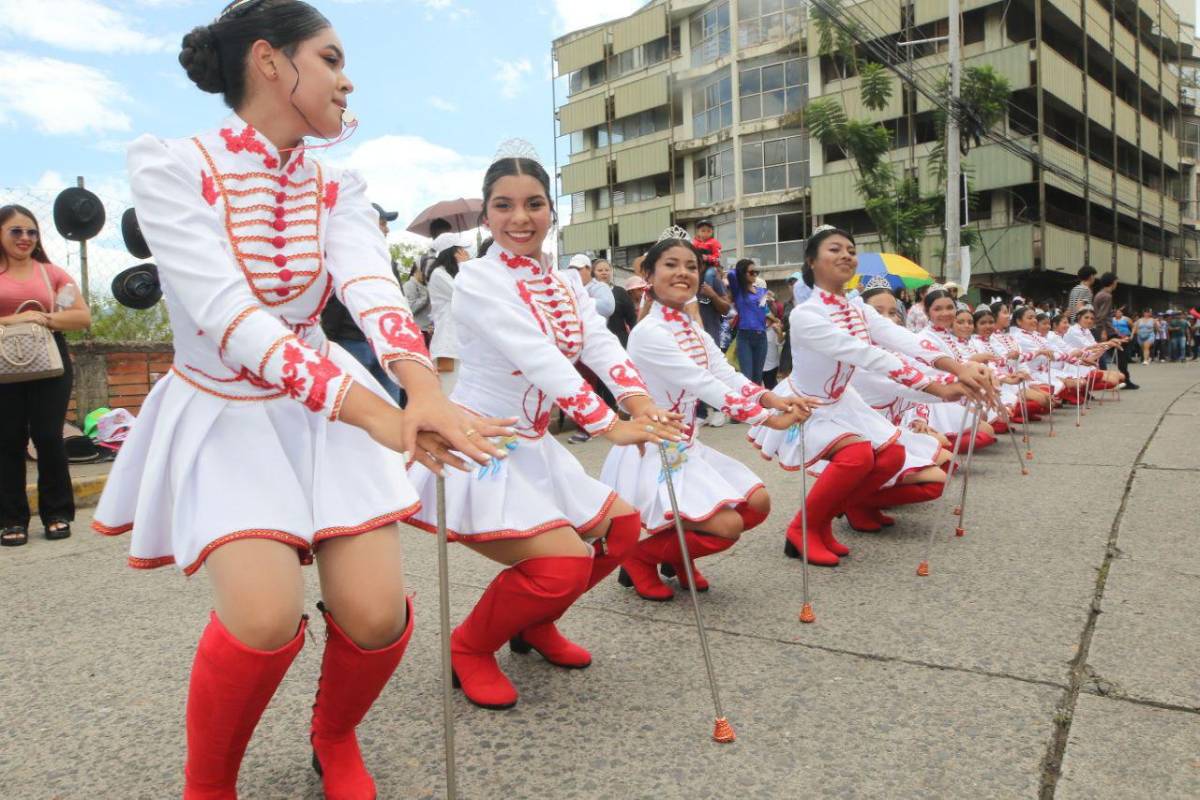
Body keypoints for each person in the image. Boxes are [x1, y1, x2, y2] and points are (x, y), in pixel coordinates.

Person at [90, 3, 511, 796]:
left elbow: (368, 284)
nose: (348, 81)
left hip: (324, 409)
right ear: (271, 61)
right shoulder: (172, 165)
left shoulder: (337, 185)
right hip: (225, 410)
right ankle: (208, 779)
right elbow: (230, 320)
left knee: (378, 613)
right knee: (261, 617)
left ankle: (335, 734)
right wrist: (388, 419)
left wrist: (420, 387)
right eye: (331, 57)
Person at [405, 141, 683, 711]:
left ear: (551, 212)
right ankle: (470, 646)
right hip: (484, 441)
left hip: (536, 443)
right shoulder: (479, 279)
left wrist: (638, 400)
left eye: (534, 203)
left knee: (621, 531)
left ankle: (534, 624)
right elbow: (539, 357)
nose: (520, 218)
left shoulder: (565, 283)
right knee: (560, 563)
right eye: (504, 206)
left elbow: (600, 342)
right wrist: (606, 422)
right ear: (486, 217)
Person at [748, 227, 991, 567]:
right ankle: (801, 529)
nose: (847, 254)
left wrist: (959, 367)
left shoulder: (858, 309)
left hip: (843, 402)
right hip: (809, 404)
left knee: (890, 456)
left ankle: (834, 516)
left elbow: (902, 340)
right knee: (858, 456)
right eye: (835, 249)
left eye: (851, 249)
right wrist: (938, 386)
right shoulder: (807, 314)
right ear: (812, 262)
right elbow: (868, 355)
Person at [600, 230, 809, 600]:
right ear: (648, 275)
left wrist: (770, 398)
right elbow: (701, 383)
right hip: (655, 448)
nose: (683, 273)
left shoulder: (692, 327)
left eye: (691, 267)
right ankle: (640, 558)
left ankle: (677, 558)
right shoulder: (649, 333)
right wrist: (762, 418)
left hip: (688, 444)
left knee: (757, 504)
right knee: (727, 525)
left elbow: (723, 373)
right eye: (671, 265)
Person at [0, 205, 92, 547]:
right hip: (3, 367)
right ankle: (11, 519)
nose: (25, 238)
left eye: (31, 232)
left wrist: (46, 318)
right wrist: (11, 322)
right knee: (7, 440)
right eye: (16, 231)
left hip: (50, 364)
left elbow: (82, 317)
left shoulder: (51, 274)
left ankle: (57, 514)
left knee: (48, 437)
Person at [320, 203, 403, 403]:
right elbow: (335, 303)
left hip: (378, 344)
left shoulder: (384, 257)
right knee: (362, 407)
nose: (387, 229)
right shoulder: (344, 254)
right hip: (355, 343)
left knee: (382, 407)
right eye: (382, 223)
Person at [695, 246, 731, 427]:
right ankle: (701, 413)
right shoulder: (687, 280)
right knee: (694, 375)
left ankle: (719, 410)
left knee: (714, 374)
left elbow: (726, 308)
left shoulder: (712, 279)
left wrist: (712, 295)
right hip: (690, 336)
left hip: (710, 334)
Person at [429, 244, 467, 393]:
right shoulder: (439, 274)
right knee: (449, 391)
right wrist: (465, 266)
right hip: (447, 345)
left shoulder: (449, 274)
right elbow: (464, 294)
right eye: (461, 251)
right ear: (452, 253)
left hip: (457, 344)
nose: (465, 254)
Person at [727, 258, 770, 385]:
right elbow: (731, 274)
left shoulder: (762, 291)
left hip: (762, 337)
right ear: (743, 273)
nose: (755, 274)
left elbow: (764, 311)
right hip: (745, 337)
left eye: (756, 272)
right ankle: (746, 404)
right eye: (751, 272)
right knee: (747, 377)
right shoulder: (739, 291)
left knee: (757, 378)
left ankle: (756, 405)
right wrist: (740, 271)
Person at [1091, 272, 1137, 389]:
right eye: (1116, 281)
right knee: (1121, 353)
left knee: (1103, 355)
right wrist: (1104, 331)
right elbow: (1101, 315)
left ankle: (1117, 380)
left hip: (1105, 329)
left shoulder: (1099, 294)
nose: (1117, 283)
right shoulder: (1107, 296)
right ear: (1112, 282)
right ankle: (1124, 380)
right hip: (1105, 330)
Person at [567, 253, 615, 318]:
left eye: (578, 269)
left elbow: (608, 307)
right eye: (571, 269)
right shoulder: (570, 289)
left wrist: (580, 301)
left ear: (589, 269)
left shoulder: (599, 287)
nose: (574, 272)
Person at [606, 272, 641, 349]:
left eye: (606, 270)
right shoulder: (586, 292)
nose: (604, 272)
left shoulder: (620, 292)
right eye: (639, 289)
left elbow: (632, 320)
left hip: (621, 340)